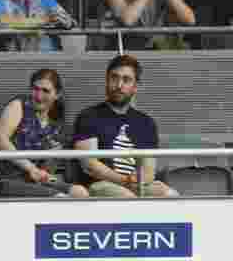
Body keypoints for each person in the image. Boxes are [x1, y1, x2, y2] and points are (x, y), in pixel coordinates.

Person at [72, 54, 177, 198]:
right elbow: (89, 165)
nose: (119, 85)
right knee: (126, 197)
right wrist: (124, 180)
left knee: (170, 195)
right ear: (107, 80)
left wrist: (137, 180)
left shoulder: (146, 123)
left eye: (126, 80)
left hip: (136, 184)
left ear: (135, 87)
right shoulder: (89, 116)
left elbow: (149, 170)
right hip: (101, 184)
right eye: (114, 78)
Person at [0, 69, 88, 199]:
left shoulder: (56, 126)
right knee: (59, 198)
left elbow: (44, 171)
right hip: (2, 179)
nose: (38, 95)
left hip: (34, 181)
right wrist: (31, 168)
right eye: (35, 89)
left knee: (79, 192)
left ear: (57, 94)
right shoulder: (19, 105)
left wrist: (51, 167)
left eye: (45, 91)